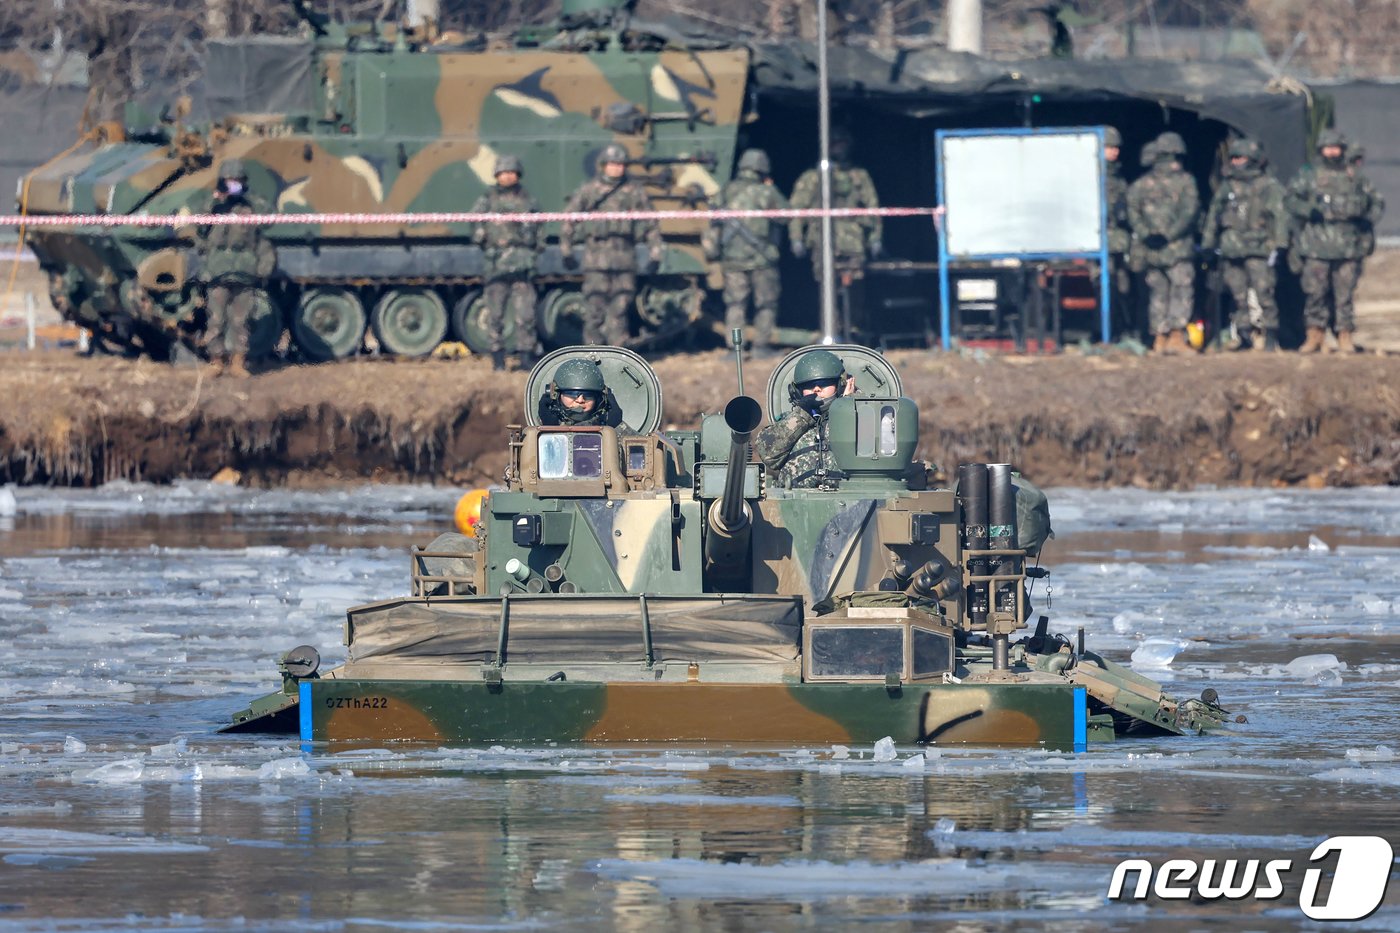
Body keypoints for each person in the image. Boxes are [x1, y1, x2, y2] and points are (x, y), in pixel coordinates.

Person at [1287, 130, 1385, 353]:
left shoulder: (1355, 176)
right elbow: (1291, 200)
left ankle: (1344, 336)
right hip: (1316, 247)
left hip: (1348, 247)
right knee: (1315, 293)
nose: (1332, 152)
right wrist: (1308, 211)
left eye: (1335, 148)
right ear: (1321, 149)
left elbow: (1376, 202)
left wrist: (1364, 220)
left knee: (1344, 295)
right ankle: (1314, 335)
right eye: (1327, 147)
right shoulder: (1308, 176)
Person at [561, 143, 663, 346]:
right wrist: (567, 251)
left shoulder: (634, 192)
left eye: (621, 164)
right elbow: (569, 219)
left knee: (620, 310)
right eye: (613, 164)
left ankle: (617, 355)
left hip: (624, 258)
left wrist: (655, 253)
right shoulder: (589, 190)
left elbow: (650, 223)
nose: (618, 168)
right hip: (596, 260)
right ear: (603, 165)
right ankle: (592, 356)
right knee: (594, 311)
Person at [788, 127, 881, 330]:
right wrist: (796, 236)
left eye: (842, 143)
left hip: (853, 240)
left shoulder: (859, 176)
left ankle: (855, 329)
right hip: (823, 240)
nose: (839, 148)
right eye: (834, 144)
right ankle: (832, 329)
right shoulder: (812, 177)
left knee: (855, 287)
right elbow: (797, 209)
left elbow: (873, 207)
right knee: (826, 288)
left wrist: (875, 237)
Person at [1200, 137, 1289, 352]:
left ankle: (1270, 335)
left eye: (1241, 158)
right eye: (1234, 158)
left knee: (1263, 293)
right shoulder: (1227, 186)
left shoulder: (1268, 186)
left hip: (1259, 249)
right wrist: (1208, 245)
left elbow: (1280, 216)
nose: (1237, 162)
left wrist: (1280, 245)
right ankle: (1243, 335)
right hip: (1231, 249)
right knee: (1238, 296)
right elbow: (1213, 216)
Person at [193, 159, 276, 377]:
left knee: (241, 320)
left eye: (238, 181)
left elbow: (269, 219)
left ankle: (238, 362)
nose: (234, 185)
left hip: (244, 270)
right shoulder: (213, 206)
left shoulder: (251, 206)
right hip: (218, 270)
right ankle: (216, 361)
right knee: (216, 319)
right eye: (230, 181)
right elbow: (199, 227)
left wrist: (248, 198)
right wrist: (215, 201)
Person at [702, 148, 788, 359]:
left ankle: (735, 350)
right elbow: (786, 215)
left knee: (735, 304)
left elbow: (713, 223)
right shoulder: (767, 192)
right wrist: (773, 187)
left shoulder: (726, 190)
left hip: (732, 260)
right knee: (766, 304)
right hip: (762, 259)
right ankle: (761, 347)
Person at [1127, 131, 1199, 354]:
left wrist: (1148, 234)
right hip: (1174, 249)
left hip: (1155, 249)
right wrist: (1166, 235)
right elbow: (1190, 212)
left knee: (1159, 294)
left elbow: (1133, 214)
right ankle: (1171, 337)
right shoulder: (1186, 182)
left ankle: (1163, 338)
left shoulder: (1140, 184)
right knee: (1178, 291)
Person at [471, 154, 540, 372]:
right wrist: (485, 240)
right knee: (495, 316)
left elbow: (539, 231)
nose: (507, 176)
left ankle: (526, 356)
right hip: (496, 267)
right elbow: (474, 226)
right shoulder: (487, 200)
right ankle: (498, 359)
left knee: (525, 316)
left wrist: (533, 250)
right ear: (497, 175)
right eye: (503, 173)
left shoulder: (528, 201)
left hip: (522, 266)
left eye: (511, 172)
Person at [754, 348, 855, 489]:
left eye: (824, 383)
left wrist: (847, 407)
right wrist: (803, 415)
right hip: (794, 502)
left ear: (841, 385)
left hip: (848, 500)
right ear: (797, 391)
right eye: (809, 385)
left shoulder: (859, 416)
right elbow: (769, 455)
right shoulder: (790, 422)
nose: (817, 389)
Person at [537, 358, 634, 433]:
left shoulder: (607, 427)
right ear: (556, 395)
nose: (580, 400)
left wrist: (617, 428)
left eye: (588, 395)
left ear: (599, 399)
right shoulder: (538, 428)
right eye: (572, 394)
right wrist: (547, 429)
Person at [1102, 126, 1133, 337]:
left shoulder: (1119, 179)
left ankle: (1122, 328)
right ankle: (1104, 330)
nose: (1115, 152)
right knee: (1105, 286)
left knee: (1123, 286)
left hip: (1119, 242)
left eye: (1116, 147)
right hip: (1099, 242)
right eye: (1110, 147)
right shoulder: (1091, 177)